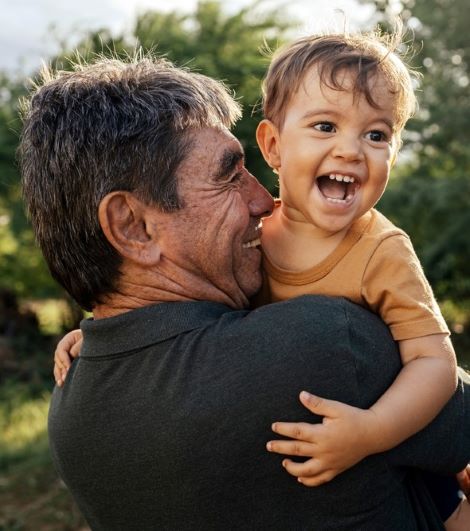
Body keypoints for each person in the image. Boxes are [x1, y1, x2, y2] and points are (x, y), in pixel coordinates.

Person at [20, 56, 470, 530]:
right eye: (229, 176)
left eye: (376, 135)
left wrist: (90, 333)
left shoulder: (71, 415)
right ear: (134, 227)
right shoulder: (325, 343)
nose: (262, 201)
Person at [254, 29, 469, 527]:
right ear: (272, 145)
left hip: (395, 447)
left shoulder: (382, 249)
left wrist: (373, 431)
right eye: (326, 126)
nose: (352, 150)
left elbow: (434, 362)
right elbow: (185, 303)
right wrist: (94, 332)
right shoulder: (250, 236)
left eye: (376, 135)